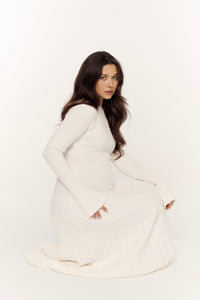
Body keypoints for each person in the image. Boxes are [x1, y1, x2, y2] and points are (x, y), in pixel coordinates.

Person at [25, 51, 176, 279]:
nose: (110, 84)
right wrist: (85, 198)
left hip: (99, 196)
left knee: (150, 195)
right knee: (147, 205)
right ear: (90, 78)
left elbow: (117, 156)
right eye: (103, 77)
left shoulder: (101, 111)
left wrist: (158, 182)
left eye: (115, 78)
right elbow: (51, 151)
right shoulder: (83, 111)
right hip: (78, 204)